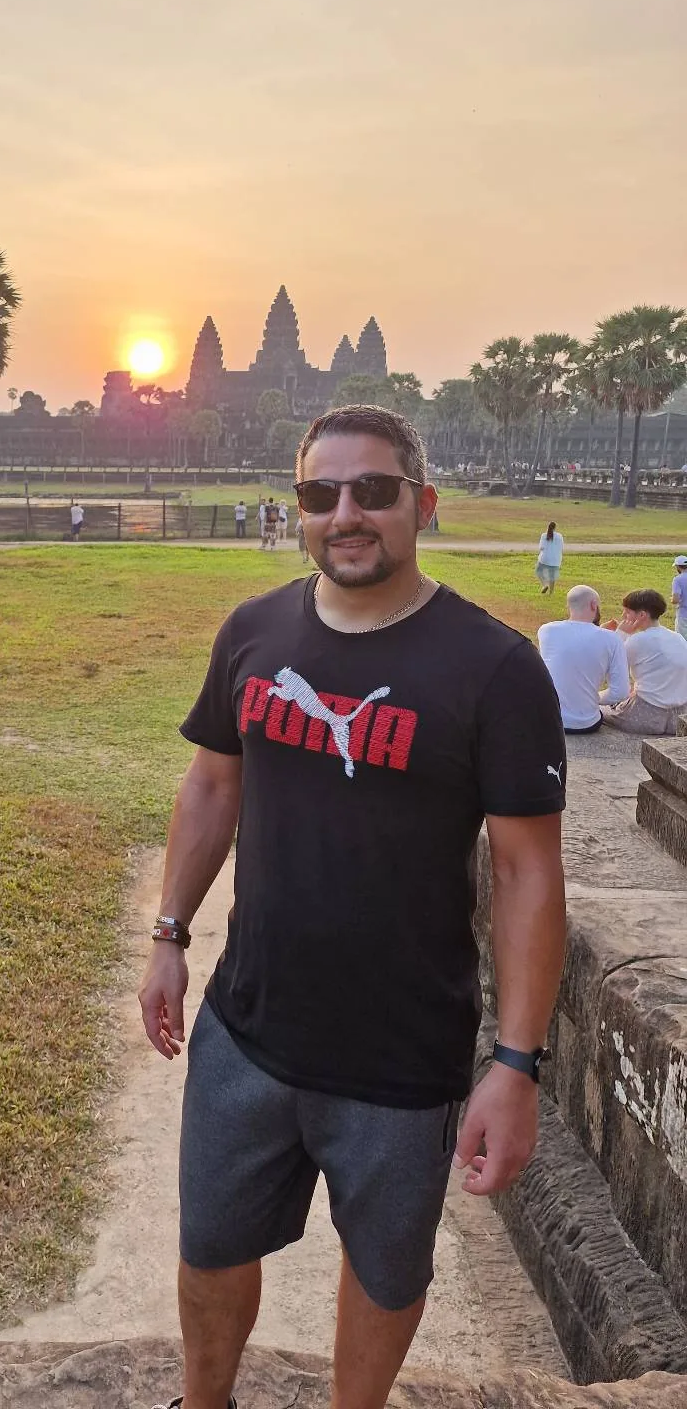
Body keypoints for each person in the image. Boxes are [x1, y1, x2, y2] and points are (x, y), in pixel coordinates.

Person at [139, 404, 566, 1409]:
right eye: (320, 494)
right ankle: (205, 1403)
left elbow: (526, 874)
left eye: (373, 490)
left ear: (422, 503)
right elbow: (212, 788)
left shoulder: (494, 669)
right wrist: (169, 936)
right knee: (209, 1243)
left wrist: (516, 1064)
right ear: (298, 511)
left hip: (399, 1055)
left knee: (385, 1268)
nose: (346, 513)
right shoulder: (255, 631)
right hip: (249, 1023)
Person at [537, 585, 629, 734]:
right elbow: (621, 692)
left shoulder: (546, 631)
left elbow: (576, 644)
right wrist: (593, 697)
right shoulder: (612, 639)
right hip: (586, 723)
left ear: (569, 606)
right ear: (594, 605)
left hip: (550, 720)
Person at [602, 589, 687, 736]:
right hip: (678, 717)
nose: (623, 616)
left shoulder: (637, 640)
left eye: (627, 612)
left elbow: (610, 671)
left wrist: (619, 635)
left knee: (595, 710)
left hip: (645, 716)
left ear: (642, 615)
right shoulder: (677, 637)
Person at [535, 520, 564, 594]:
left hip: (545, 558)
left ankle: (545, 585)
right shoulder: (560, 536)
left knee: (538, 571)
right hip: (556, 559)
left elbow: (541, 547)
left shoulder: (544, 535)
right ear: (555, 528)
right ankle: (551, 593)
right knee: (552, 576)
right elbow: (561, 547)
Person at [671, 556, 687, 639]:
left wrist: (671, 600)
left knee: (682, 639)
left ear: (678, 566)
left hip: (683, 614)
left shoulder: (677, 579)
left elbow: (675, 599)